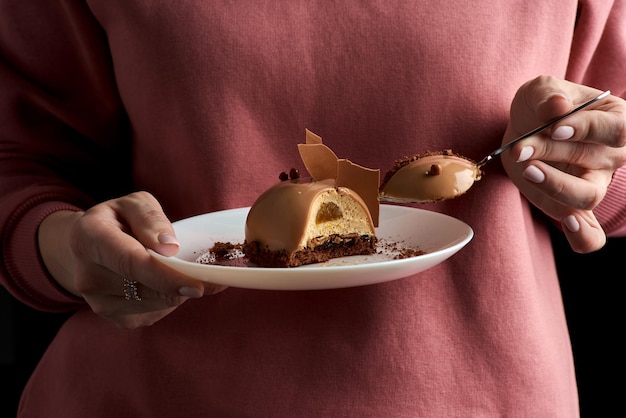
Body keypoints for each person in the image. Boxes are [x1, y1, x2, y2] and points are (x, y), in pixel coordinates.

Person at [1, 1, 625, 416]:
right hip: (154, 393)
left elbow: (616, 152)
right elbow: (18, 162)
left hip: (480, 398)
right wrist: (65, 250)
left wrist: (587, 169)